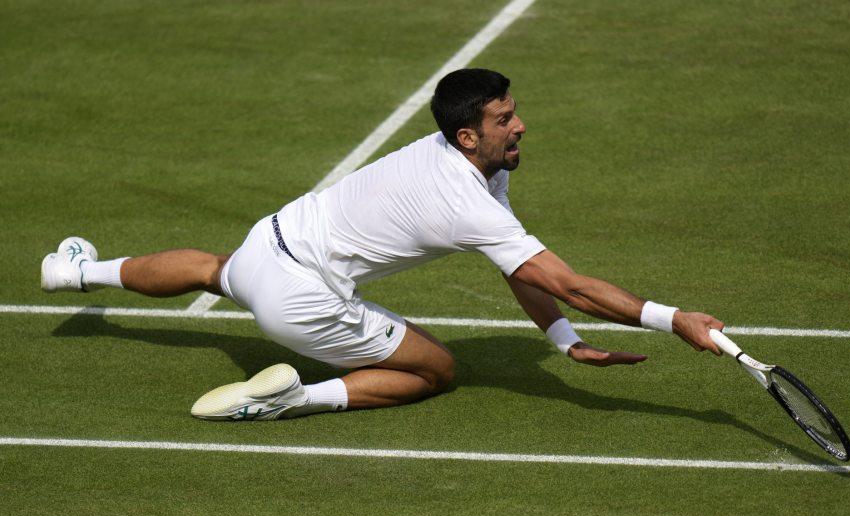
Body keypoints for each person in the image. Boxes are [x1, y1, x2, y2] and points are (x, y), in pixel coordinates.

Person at [40, 69, 724, 421]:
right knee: (437, 370)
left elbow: (521, 270)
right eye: (504, 118)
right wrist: (674, 318)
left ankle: (75, 272)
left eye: (514, 110)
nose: (521, 124)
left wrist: (562, 340)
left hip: (269, 238)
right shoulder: (467, 197)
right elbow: (565, 280)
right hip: (304, 297)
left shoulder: (465, 162)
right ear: (467, 136)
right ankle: (291, 400)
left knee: (213, 269)